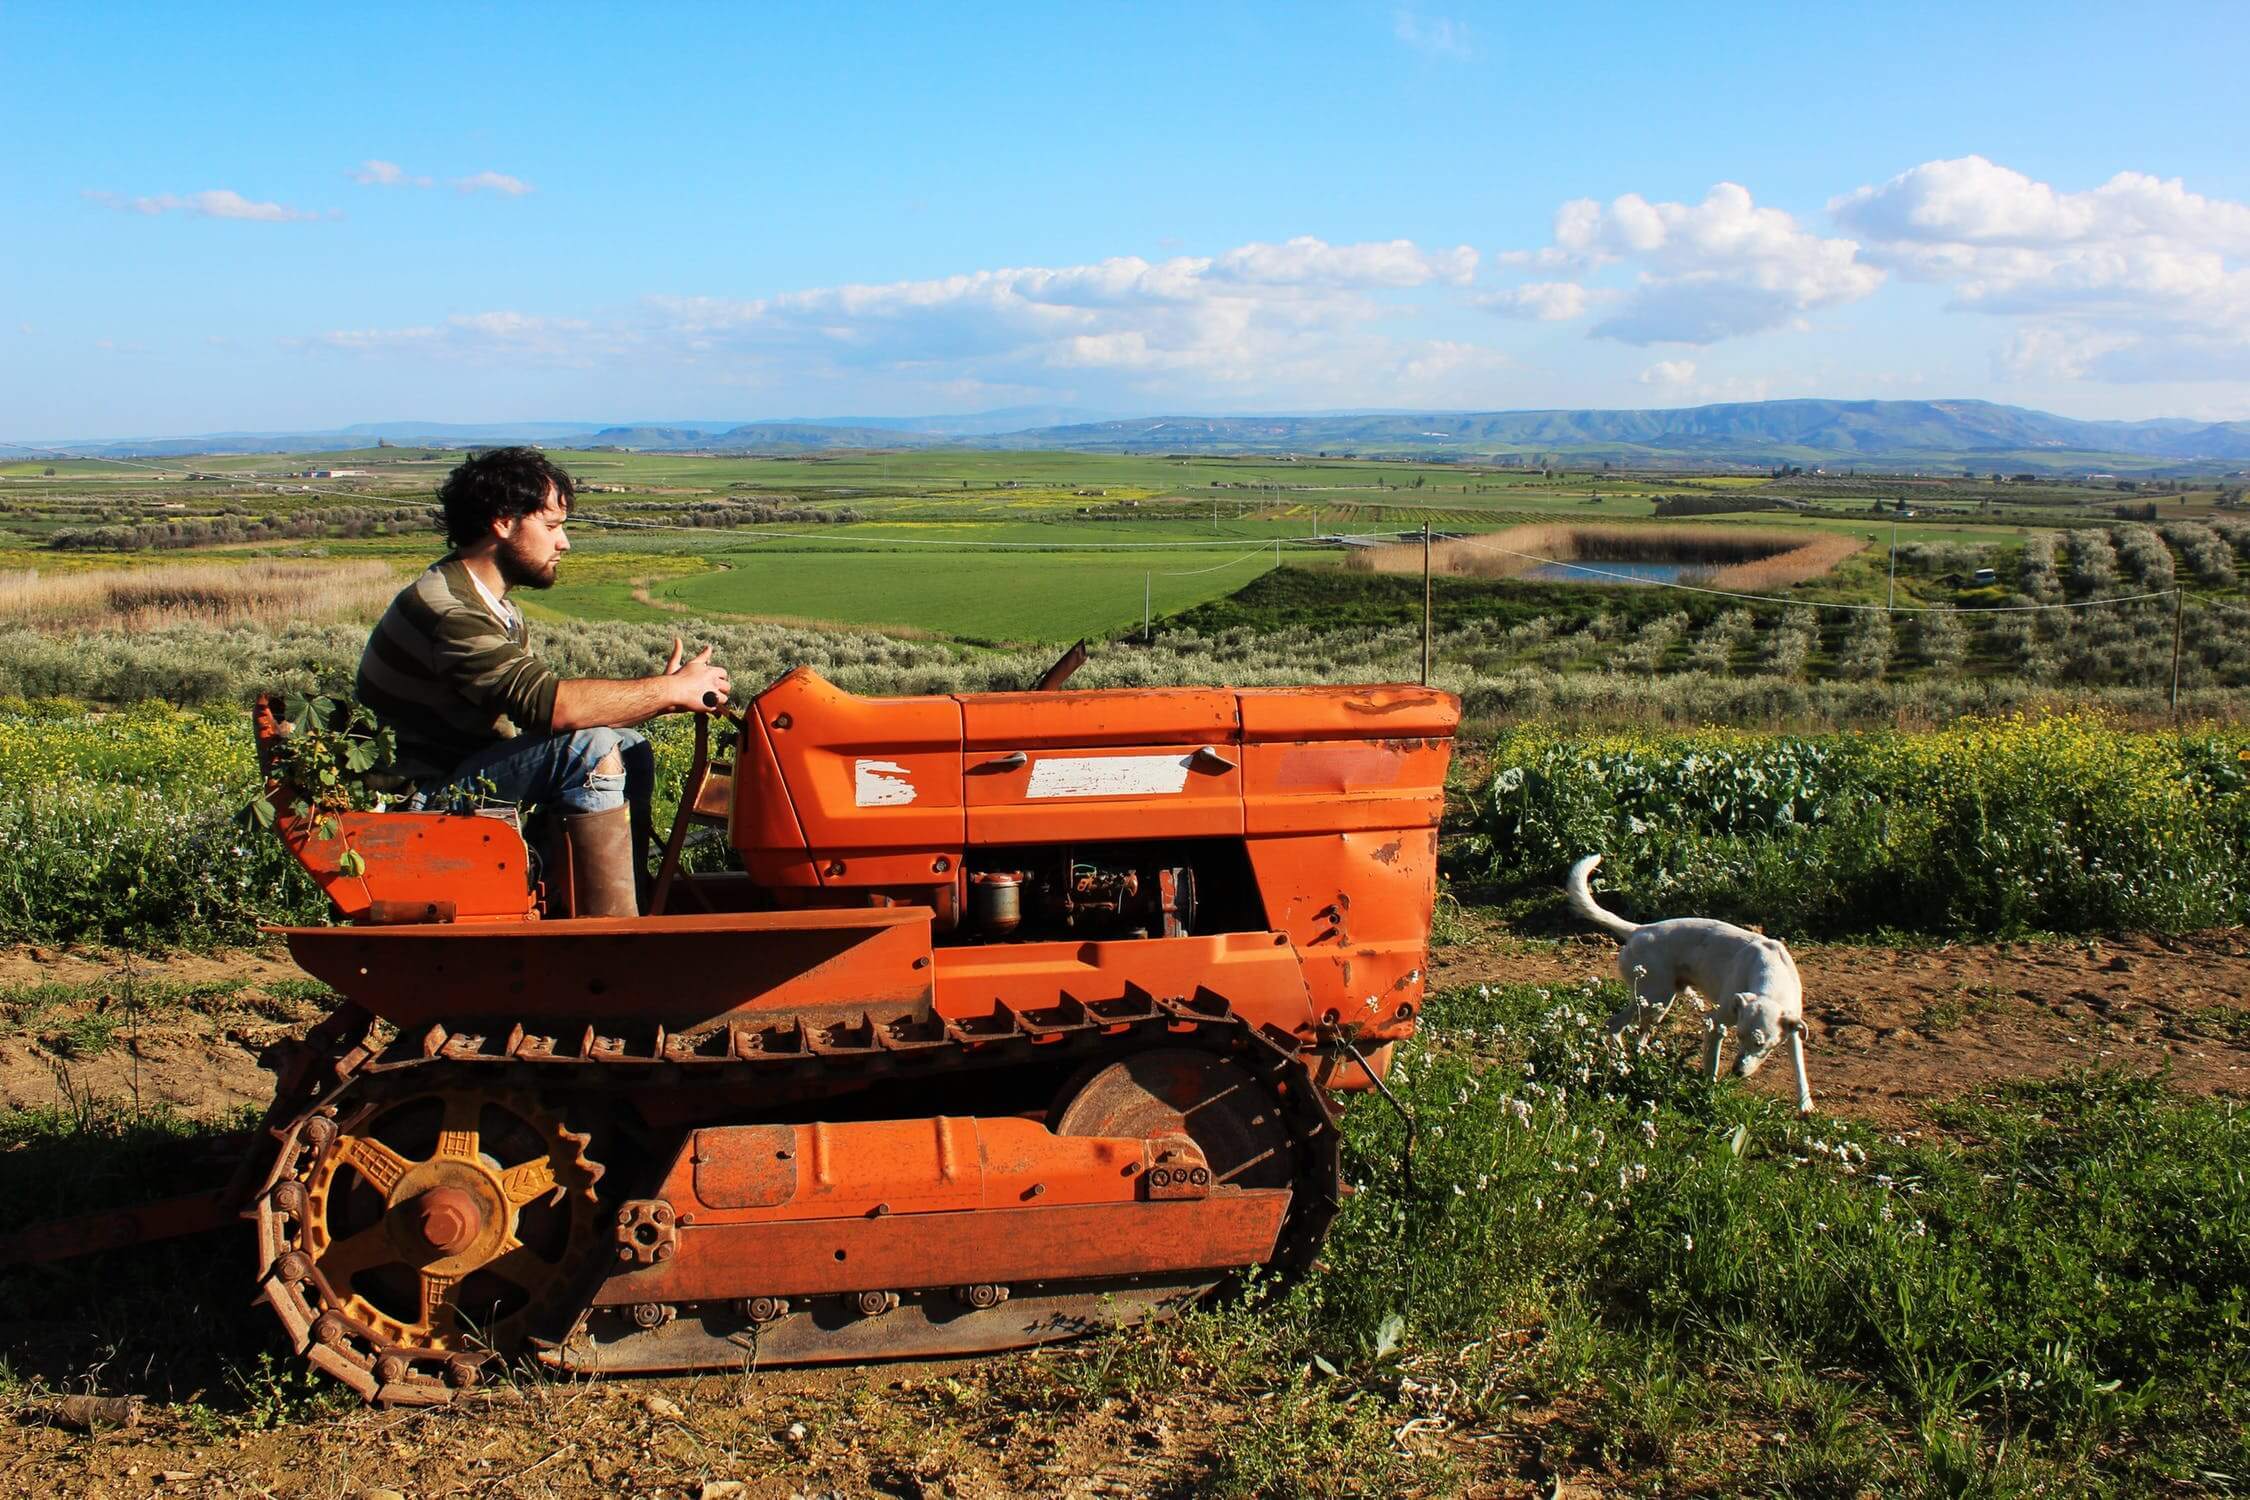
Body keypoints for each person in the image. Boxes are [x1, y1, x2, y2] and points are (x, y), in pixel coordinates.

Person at [355, 447, 730, 916]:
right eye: (552, 526)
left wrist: (661, 697)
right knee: (587, 749)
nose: (564, 543)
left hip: (459, 776)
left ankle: (625, 895)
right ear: (502, 522)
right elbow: (552, 708)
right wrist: (668, 689)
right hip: (418, 800)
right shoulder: (448, 611)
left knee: (627, 744)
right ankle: (611, 935)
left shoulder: (492, 606)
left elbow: (541, 718)